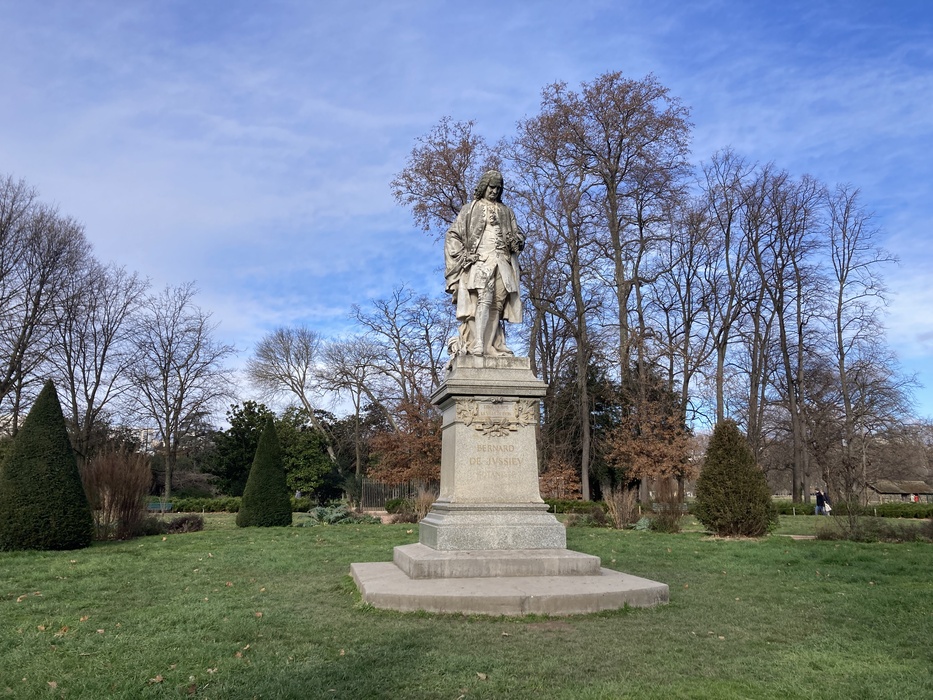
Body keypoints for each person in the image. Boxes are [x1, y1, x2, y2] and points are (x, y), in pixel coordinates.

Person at [444, 170, 524, 357]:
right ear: (484, 186)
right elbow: (452, 235)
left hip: (502, 261)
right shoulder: (470, 209)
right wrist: (463, 255)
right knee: (484, 299)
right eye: (492, 187)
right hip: (481, 260)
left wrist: (516, 241)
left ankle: (490, 346)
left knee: (498, 304)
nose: (495, 191)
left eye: (498, 188)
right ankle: (478, 343)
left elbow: (518, 235)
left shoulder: (506, 211)